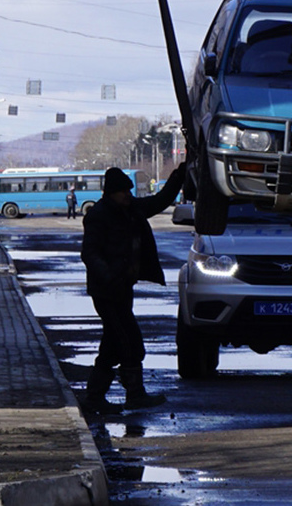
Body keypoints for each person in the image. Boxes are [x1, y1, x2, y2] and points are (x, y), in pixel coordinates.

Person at [79, 167, 176, 412]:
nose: (127, 194)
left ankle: (95, 397)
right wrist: (110, 276)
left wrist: (180, 176)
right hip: (107, 291)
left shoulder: (130, 210)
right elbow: (89, 253)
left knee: (112, 343)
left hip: (123, 288)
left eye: (128, 190)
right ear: (111, 192)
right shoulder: (99, 215)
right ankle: (134, 394)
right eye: (122, 191)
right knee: (129, 342)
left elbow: (160, 200)